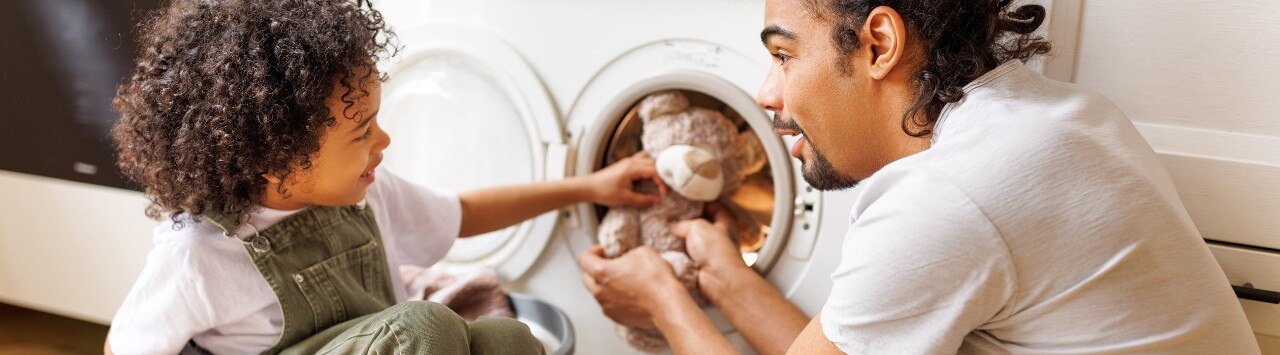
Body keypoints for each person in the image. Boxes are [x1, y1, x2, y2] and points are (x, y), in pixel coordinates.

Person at [578, 0, 1261, 353]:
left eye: (784, 56)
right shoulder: (1045, 113)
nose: (766, 92)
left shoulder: (949, 197)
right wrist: (725, 275)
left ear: (879, 43)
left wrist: (665, 303)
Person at [104, 0, 660, 353]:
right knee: (426, 327)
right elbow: (126, 346)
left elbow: (464, 213)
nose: (384, 140)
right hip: (412, 337)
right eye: (361, 131)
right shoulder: (198, 256)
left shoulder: (367, 193)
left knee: (504, 338)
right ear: (277, 157)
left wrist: (591, 187)